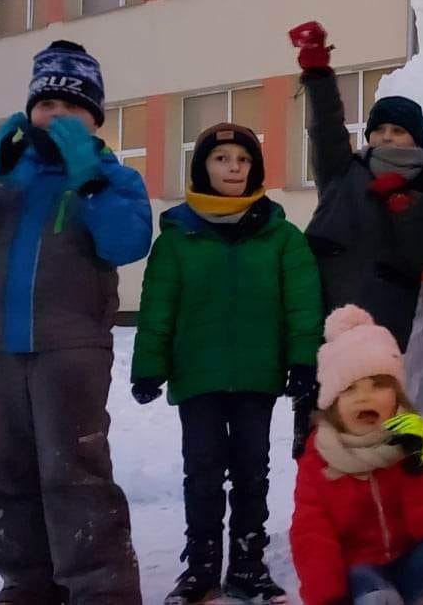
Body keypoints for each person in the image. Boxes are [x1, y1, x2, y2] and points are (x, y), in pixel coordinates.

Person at [0, 40, 151, 605]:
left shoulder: (111, 177)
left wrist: (88, 180)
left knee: (75, 474)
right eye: (46, 104)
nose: (56, 115)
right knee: (6, 478)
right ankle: (26, 587)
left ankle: (101, 593)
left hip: (69, 349)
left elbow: (127, 242)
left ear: (95, 117)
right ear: (28, 111)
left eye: (72, 107)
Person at [131, 123, 324, 604]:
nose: (233, 168)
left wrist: (303, 362)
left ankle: (247, 565)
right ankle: (200, 569)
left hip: (258, 377)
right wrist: (149, 366)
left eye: (242, 159)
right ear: (203, 168)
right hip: (198, 377)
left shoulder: (282, 237)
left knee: (252, 473)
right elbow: (158, 308)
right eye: (221, 159)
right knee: (201, 473)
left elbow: (303, 307)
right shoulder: (177, 238)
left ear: (254, 168)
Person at [289, 21, 423, 455]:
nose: (386, 138)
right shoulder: (345, 171)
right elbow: (325, 128)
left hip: (383, 321)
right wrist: (317, 70)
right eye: (379, 131)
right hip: (325, 309)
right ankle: (317, 504)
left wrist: (401, 204)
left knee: (371, 416)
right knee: (317, 416)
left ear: (415, 138)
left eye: (397, 131)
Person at [289, 305, 423, 605]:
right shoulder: (320, 459)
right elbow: (312, 538)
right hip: (362, 580)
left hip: (413, 568)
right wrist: (328, 599)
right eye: (350, 388)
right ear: (332, 401)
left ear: (396, 393)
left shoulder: (414, 440)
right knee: (376, 594)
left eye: (378, 384)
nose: (364, 396)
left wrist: (420, 463)